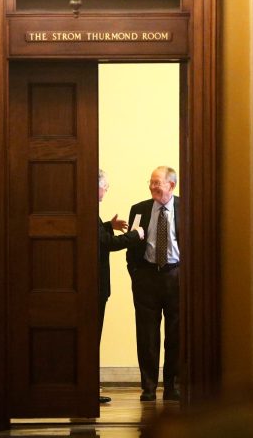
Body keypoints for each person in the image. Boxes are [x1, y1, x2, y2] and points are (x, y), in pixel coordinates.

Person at [126, 166, 181, 402]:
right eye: (151, 182)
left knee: (176, 335)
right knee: (146, 336)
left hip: (176, 277)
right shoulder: (138, 210)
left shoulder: (185, 207)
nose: (153, 187)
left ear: (171, 185)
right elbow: (132, 244)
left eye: (157, 183)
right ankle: (148, 387)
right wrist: (136, 274)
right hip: (147, 277)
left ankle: (173, 386)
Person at [97, 169, 145, 404]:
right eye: (106, 187)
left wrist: (107, 225)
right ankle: (87, 389)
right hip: (94, 287)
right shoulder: (86, 206)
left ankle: (88, 387)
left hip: (96, 287)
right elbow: (107, 244)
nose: (106, 191)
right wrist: (135, 235)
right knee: (92, 337)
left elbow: (97, 235)